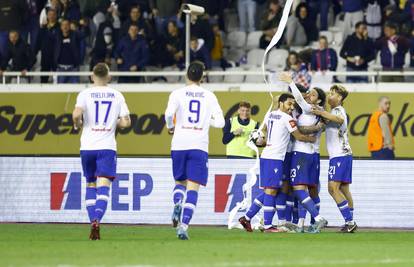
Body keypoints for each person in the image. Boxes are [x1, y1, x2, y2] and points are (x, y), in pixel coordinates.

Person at [238, 93, 323, 233]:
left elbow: (264, 133)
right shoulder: (287, 118)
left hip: (267, 155)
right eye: (289, 104)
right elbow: (298, 136)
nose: (291, 107)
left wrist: (259, 139)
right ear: (281, 103)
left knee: (269, 190)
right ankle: (267, 226)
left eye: (293, 105)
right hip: (275, 158)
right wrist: (311, 139)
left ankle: (247, 218)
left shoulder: (271, 114)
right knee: (271, 191)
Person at [164, 61, 225, 240]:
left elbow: (168, 115)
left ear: (187, 75)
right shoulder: (209, 95)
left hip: (179, 143)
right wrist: (207, 122)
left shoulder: (177, 93)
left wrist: (170, 127)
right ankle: (183, 227)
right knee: (193, 188)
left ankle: (177, 202)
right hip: (199, 145)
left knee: (180, 182)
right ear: (202, 76)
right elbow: (221, 122)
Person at [72, 63, 131, 240]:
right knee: (103, 187)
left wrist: (77, 124)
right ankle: (97, 219)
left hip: (88, 147)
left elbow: (76, 114)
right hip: (106, 147)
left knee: (91, 184)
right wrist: (115, 124)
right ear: (109, 77)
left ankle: (92, 221)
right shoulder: (117, 95)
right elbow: (126, 122)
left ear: (92, 77)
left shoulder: (84, 93)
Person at [279, 72, 328, 233]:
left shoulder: (312, 109)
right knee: (310, 190)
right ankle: (305, 224)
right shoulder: (318, 112)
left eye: (313, 94)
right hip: (313, 155)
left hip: (302, 154)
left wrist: (290, 82)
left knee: (298, 188)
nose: (308, 96)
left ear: (319, 100)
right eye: (308, 93)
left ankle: (318, 218)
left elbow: (300, 100)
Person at [311, 85, 357, 233]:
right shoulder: (330, 113)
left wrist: (320, 111)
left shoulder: (338, 110)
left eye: (332, 94)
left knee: (333, 188)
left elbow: (338, 119)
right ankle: (350, 221)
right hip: (343, 155)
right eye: (329, 93)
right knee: (344, 189)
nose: (329, 96)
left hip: (340, 156)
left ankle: (350, 222)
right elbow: (322, 127)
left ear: (340, 98)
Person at [36, 7, 59, 83]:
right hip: (45, 55)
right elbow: (38, 42)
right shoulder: (43, 28)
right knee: (44, 77)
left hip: (57, 55)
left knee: (57, 77)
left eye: (53, 14)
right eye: (49, 14)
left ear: (56, 16)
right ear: (47, 16)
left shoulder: (60, 28)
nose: (51, 16)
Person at [55, 19, 81, 83]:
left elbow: (85, 34)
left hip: (73, 68)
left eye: (67, 25)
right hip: (61, 68)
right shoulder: (57, 37)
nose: (65, 27)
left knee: (75, 91)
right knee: (60, 91)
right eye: (63, 25)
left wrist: (77, 28)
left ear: (70, 26)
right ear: (61, 27)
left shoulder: (75, 35)